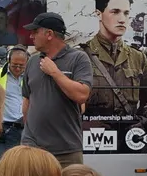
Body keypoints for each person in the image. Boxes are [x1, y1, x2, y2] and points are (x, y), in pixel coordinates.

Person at [82, 0, 147, 147]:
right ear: (99, 14)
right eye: (115, 12)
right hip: (92, 140)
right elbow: (66, 103)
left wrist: (145, 122)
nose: (122, 19)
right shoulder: (81, 56)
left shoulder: (137, 57)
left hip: (130, 138)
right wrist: (83, 124)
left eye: (126, 13)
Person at [21, 12, 93, 167]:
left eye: (35, 31)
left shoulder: (78, 58)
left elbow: (82, 95)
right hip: (33, 150)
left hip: (66, 151)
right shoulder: (32, 61)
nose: (31, 36)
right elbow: (27, 101)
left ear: (49, 34)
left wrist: (55, 72)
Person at [0, 47, 28, 162]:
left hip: (26, 127)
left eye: (21, 66)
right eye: (14, 65)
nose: (17, 68)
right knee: (1, 162)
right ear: (8, 61)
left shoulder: (30, 76)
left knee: (22, 163)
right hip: (4, 128)